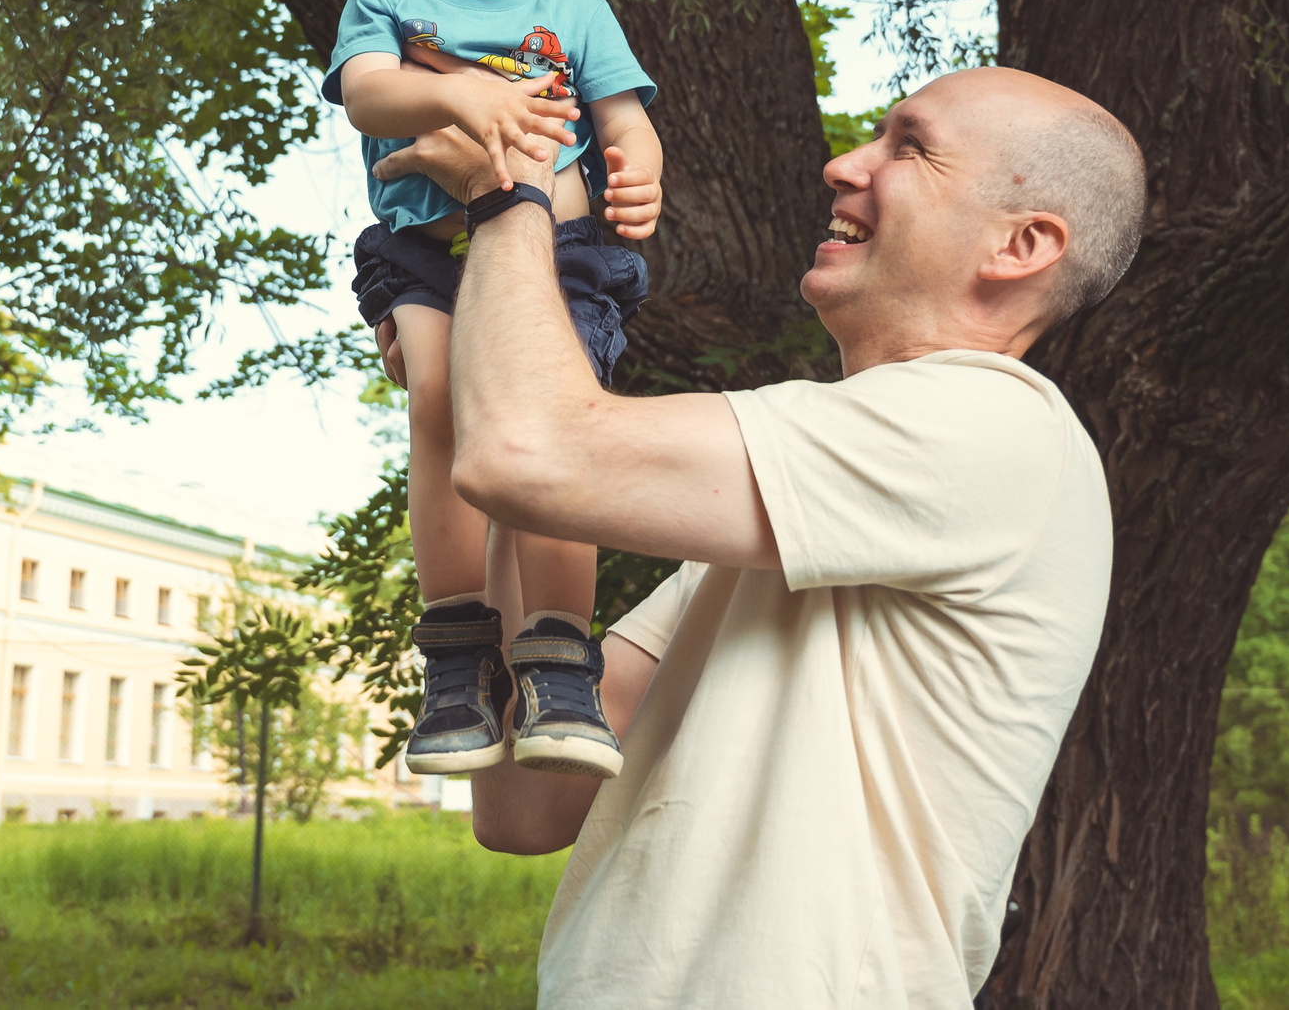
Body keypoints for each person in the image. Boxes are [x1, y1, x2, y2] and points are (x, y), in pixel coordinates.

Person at [391, 65, 1140, 1008]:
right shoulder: (784, 536)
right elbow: (525, 803)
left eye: (910, 147)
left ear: (1020, 245)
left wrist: (507, 189)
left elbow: (531, 452)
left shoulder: (997, 426)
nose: (843, 164)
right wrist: (468, 369)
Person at [322, 0, 666, 780]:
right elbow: (365, 93)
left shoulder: (574, 8)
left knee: (552, 434)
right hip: (426, 253)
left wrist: (639, 169)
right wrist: (464, 93)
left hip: (561, 254)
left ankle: (558, 657)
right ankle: (457, 649)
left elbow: (624, 117)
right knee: (438, 406)